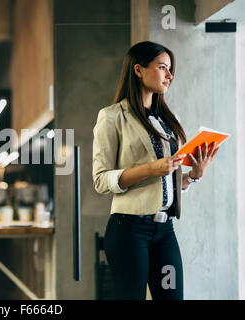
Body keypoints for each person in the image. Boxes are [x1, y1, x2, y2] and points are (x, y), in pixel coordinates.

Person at [92, 41, 219, 300]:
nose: (170, 76)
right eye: (162, 68)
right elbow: (101, 180)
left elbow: (165, 181)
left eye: (170, 69)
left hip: (164, 230)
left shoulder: (166, 121)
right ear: (138, 70)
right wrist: (149, 169)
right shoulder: (112, 117)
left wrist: (192, 176)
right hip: (128, 229)